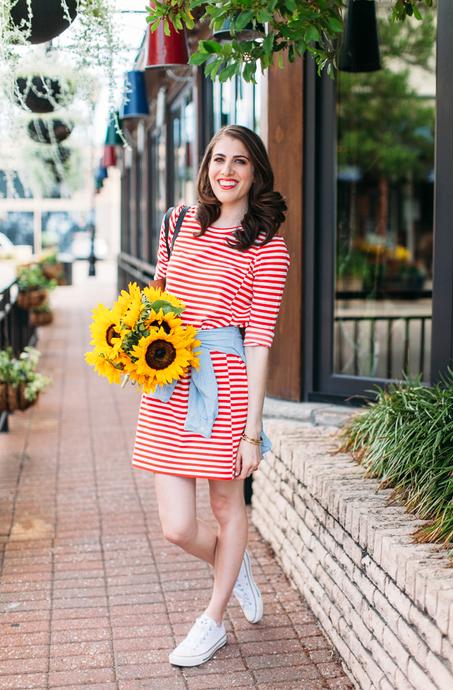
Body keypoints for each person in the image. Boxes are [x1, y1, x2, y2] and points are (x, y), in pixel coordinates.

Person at [131, 124, 291, 667]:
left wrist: (253, 431)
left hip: (226, 383)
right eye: (218, 159)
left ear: (256, 172)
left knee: (226, 506)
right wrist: (135, 349)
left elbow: (261, 341)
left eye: (240, 161)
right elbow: (156, 297)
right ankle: (233, 560)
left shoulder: (267, 243)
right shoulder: (177, 222)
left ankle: (213, 620)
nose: (226, 170)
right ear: (205, 167)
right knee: (177, 527)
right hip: (172, 378)